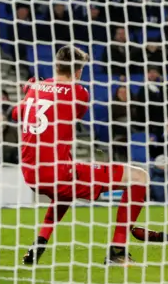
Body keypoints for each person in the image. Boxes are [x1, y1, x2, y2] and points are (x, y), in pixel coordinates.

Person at [13, 46, 149, 265]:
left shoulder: (34, 90)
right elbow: (75, 111)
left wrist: (32, 90)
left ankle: (39, 243)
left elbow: (15, 114)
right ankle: (118, 251)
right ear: (77, 72)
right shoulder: (80, 93)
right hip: (57, 172)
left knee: (65, 190)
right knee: (140, 178)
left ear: (55, 65)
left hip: (31, 174)